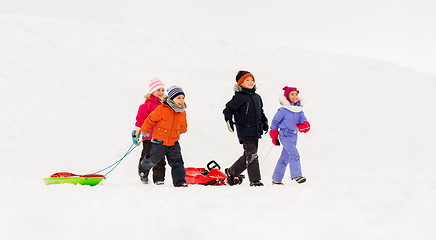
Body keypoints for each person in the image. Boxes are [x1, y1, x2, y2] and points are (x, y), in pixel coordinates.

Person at [223, 70, 268, 187]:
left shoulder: (257, 97)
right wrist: (228, 120)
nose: (250, 82)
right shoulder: (239, 97)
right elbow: (228, 109)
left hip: (256, 130)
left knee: (249, 155)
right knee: (252, 155)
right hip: (245, 130)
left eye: (252, 80)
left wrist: (264, 121)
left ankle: (231, 172)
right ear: (240, 83)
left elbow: (260, 111)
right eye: (247, 80)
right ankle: (255, 180)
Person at [138, 85, 188, 187]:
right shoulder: (162, 109)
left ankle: (180, 182)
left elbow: (183, 123)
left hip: (174, 142)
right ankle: (143, 168)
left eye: (183, 98)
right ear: (171, 98)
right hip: (159, 142)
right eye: (178, 98)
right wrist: (145, 130)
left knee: (177, 162)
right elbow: (150, 119)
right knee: (153, 160)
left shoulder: (182, 111)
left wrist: (183, 130)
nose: (181, 100)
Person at [269, 86, 310, 185]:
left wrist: (305, 125)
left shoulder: (299, 110)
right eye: (292, 94)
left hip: (294, 136)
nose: (295, 96)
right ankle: (297, 175)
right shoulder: (283, 110)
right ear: (287, 97)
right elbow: (275, 122)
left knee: (285, 157)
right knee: (294, 154)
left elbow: (304, 120)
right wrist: (274, 135)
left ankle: (276, 179)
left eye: (296, 94)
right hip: (285, 134)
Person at [132, 78, 167, 185]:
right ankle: (143, 172)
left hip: (161, 137)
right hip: (148, 136)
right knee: (147, 155)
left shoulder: (165, 106)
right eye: (158, 90)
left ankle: (159, 178)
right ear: (152, 92)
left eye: (162, 90)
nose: (161, 93)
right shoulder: (145, 106)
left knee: (160, 158)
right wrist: (136, 134)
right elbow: (139, 121)